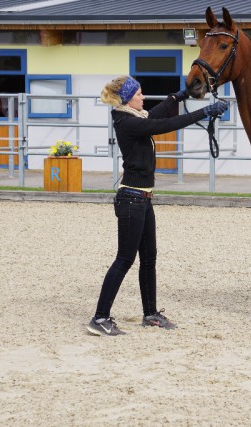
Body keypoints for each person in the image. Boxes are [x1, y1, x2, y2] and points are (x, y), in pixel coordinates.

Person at [87, 75, 228, 336]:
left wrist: (181, 95)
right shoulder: (126, 121)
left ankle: (150, 313)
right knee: (124, 259)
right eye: (139, 94)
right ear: (127, 99)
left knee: (149, 258)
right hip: (131, 199)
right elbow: (165, 124)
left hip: (143, 197)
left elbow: (156, 113)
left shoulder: (135, 117)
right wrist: (204, 111)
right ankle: (100, 317)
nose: (143, 97)